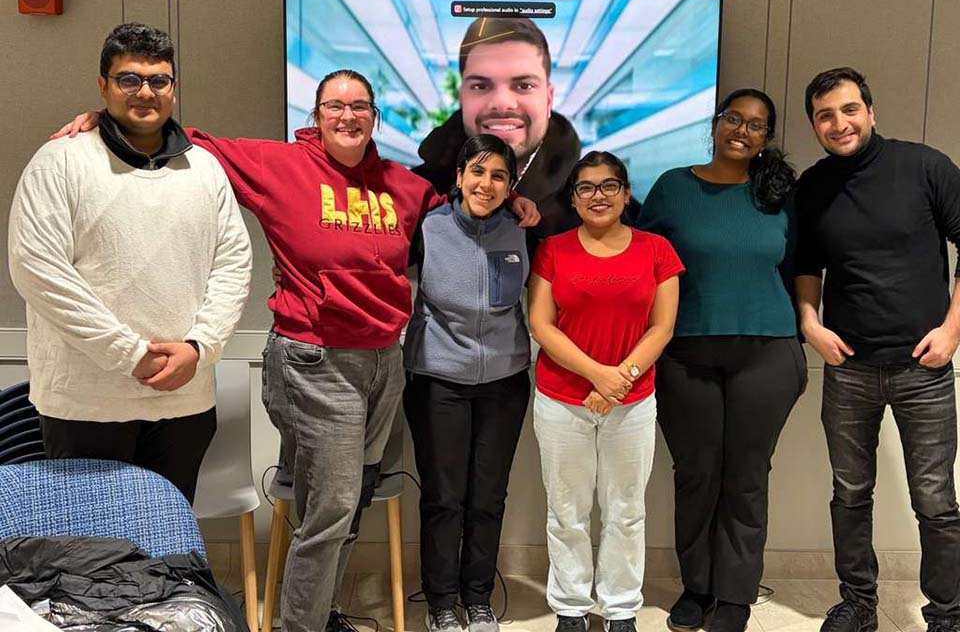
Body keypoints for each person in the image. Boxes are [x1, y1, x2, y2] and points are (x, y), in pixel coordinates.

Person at [55, 64, 539, 632]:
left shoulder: (407, 189)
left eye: (360, 106)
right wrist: (108, 123)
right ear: (316, 115)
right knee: (332, 506)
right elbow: (189, 138)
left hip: (384, 362)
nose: (348, 116)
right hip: (314, 358)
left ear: (373, 117)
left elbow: (470, 203)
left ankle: (320, 611)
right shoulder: (281, 165)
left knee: (347, 502)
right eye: (335, 106)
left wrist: (518, 206)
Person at [7, 23, 252, 504]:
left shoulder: (204, 168)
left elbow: (234, 264)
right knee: (90, 557)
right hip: (86, 405)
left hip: (185, 399)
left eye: (159, 80)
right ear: (103, 86)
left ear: (173, 88)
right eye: (129, 79)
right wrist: (130, 353)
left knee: (169, 546)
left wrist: (200, 347)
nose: (145, 92)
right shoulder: (59, 162)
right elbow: (39, 270)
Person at [794, 67, 960, 632]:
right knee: (849, 493)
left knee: (936, 502)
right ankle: (859, 604)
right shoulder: (814, 187)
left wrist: (953, 331)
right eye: (824, 115)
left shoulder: (926, 167)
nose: (838, 123)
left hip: (925, 367)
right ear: (814, 125)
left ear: (870, 111)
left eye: (848, 110)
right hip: (850, 369)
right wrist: (810, 322)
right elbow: (804, 266)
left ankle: (947, 614)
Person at [637, 88, 805, 632]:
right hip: (686, 351)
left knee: (747, 476)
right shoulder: (672, 188)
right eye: (734, 118)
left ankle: (735, 595)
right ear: (715, 124)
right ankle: (698, 587)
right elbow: (645, 261)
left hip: (768, 349)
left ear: (766, 138)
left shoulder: (778, 194)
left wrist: (811, 323)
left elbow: (802, 264)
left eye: (757, 125)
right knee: (697, 474)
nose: (742, 130)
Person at [528, 151, 684, 632]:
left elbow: (662, 328)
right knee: (567, 511)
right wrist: (598, 374)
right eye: (587, 188)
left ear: (626, 192)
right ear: (573, 199)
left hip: (632, 404)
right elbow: (540, 323)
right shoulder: (552, 249)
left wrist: (619, 381)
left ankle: (620, 609)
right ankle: (572, 607)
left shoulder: (657, 249)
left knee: (626, 511)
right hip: (561, 401)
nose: (599, 196)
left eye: (609, 186)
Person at [403, 134, 531, 632]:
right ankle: (440, 603)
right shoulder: (427, 228)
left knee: (487, 497)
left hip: (505, 382)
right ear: (458, 177)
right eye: (477, 172)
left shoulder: (524, 229)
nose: (487, 183)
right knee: (443, 497)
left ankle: (477, 598)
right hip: (438, 382)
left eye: (499, 175)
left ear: (511, 185)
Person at [414, 17, 591, 247]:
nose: (502, 103)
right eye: (480, 86)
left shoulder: (598, 205)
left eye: (523, 85)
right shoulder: (414, 195)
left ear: (548, 99)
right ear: (462, 97)